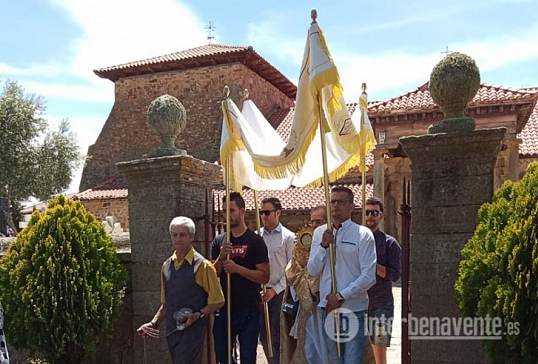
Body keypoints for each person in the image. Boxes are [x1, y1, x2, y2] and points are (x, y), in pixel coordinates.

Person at [136, 216, 224, 364]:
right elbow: (166, 305)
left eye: (182, 235)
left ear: (191, 237)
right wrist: (153, 323)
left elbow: (218, 300)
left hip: (193, 333)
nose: (178, 239)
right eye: (174, 234)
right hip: (172, 332)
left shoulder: (203, 266)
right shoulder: (166, 266)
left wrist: (198, 315)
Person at [307, 186, 377, 364]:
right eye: (332, 201)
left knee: (352, 361)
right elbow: (312, 270)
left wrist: (340, 295)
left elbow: (369, 275)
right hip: (328, 309)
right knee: (335, 361)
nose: (335, 205)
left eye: (341, 202)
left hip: (353, 308)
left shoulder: (363, 234)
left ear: (352, 206)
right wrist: (323, 246)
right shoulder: (319, 233)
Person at [211, 192, 270, 364]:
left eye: (231, 210)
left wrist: (238, 269)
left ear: (242, 211)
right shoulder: (219, 241)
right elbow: (213, 275)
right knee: (221, 355)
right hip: (224, 309)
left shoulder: (255, 241)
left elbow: (264, 277)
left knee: (248, 358)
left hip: (248, 309)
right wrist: (221, 258)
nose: (227, 215)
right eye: (224, 211)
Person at [282, 205, 329, 364]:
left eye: (319, 221)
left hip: (327, 304)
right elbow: (291, 272)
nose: (315, 225)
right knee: (309, 348)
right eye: (313, 221)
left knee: (327, 347)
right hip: (306, 308)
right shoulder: (300, 246)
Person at [258, 197, 295, 364]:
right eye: (261, 212)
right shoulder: (256, 237)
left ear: (278, 213)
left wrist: (275, 291)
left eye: (267, 212)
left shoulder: (289, 238)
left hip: (280, 294)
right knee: (263, 337)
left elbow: (291, 268)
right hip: (259, 293)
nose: (263, 216)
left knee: (278, 337)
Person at [365, 197, 402, 364]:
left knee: (379, 355)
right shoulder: (356, 241)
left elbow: (395, 274)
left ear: (382, 216)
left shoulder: (389, 244)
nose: (370, 216)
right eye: (367, 212)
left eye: (374, 212)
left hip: (381, 305)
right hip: (357, 304)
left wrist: (373, 264)